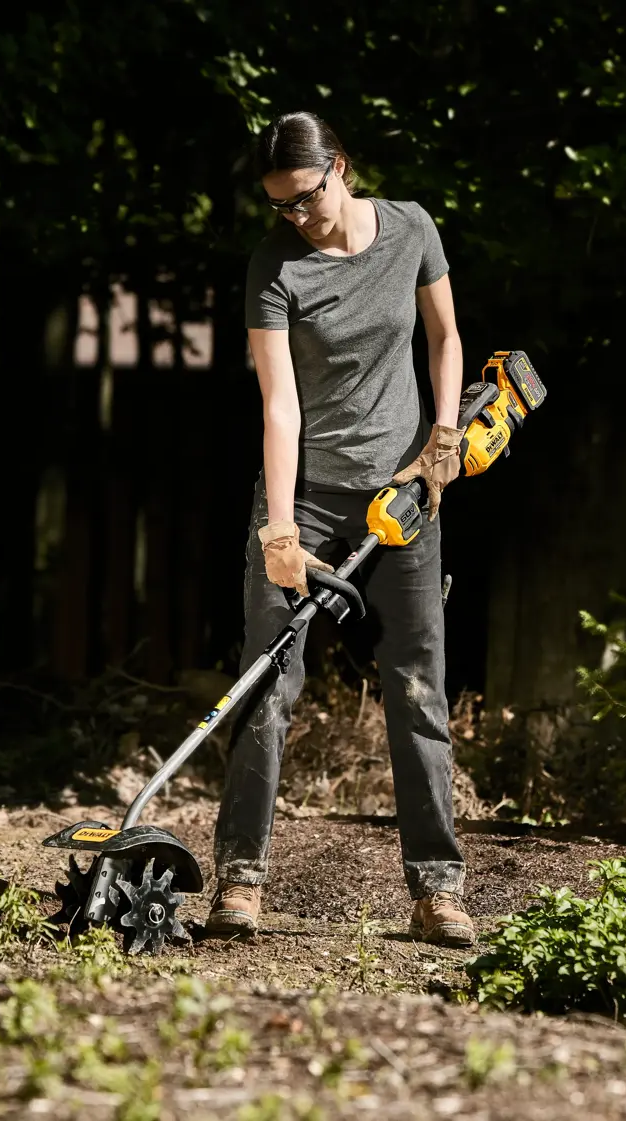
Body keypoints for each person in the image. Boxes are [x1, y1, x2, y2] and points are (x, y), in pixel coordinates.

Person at [206, 111, 473, 947]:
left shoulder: (414, 228)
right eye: (280, 206)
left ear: (341, 168)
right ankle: (241, 881)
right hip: (308, 498)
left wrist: (442, 437)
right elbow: (280, 405)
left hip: (402, 500)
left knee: (418, 687)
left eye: (306, 197)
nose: (297, 217)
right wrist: (280, 528)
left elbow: (447, 337)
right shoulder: (274, 267)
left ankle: (437, 889)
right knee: (266, 689)